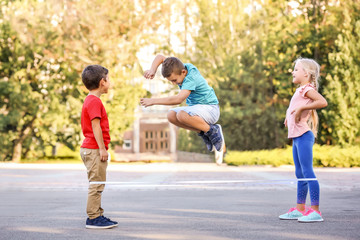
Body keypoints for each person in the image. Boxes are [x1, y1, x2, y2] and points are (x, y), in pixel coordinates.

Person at [140, 54, 225, 164]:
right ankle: (205, 131)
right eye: (171, 81)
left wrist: (153, 101)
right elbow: (160, 57)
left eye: (174, 80)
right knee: (171, 115)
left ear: (183, 72)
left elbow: (178, 99)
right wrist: (152, 70)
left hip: (210, 109)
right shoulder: (177, 67)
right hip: (198, 109)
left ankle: (212, 130)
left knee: (182, 115)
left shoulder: (191, 78)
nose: (174, 83)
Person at [279, 57, 328, 223]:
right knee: (299, 173)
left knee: (308, 173)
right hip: (297, 137)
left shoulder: (307, 89)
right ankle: (300, 209)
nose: (293, 72)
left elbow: (322, 101)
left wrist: (302, 108)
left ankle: (315, 210)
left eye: (296, 69)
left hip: (304, 136)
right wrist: (289, 117)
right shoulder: (300, 89)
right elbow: (294, 107)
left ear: (306, 74)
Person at [80, 65, 118, 229]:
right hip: (94, 149)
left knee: (98, 182)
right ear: (102, 82)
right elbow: (96, 127)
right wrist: (102, 149)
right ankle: (93, 218)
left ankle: (98, 213)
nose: (109, 83)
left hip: (92, 148)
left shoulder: (91, 100)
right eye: (108, 80)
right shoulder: (94, 102)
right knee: (97, 183)